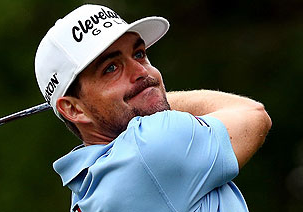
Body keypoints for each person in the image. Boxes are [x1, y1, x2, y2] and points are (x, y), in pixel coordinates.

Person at [34, 4, 272, 212]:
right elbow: (253, 115)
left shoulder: (83, 189)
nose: (142, 72)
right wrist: (149, 96)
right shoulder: (152, 145)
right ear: (74, 110)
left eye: (139, 54)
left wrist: (142, 97)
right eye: (111, 68)